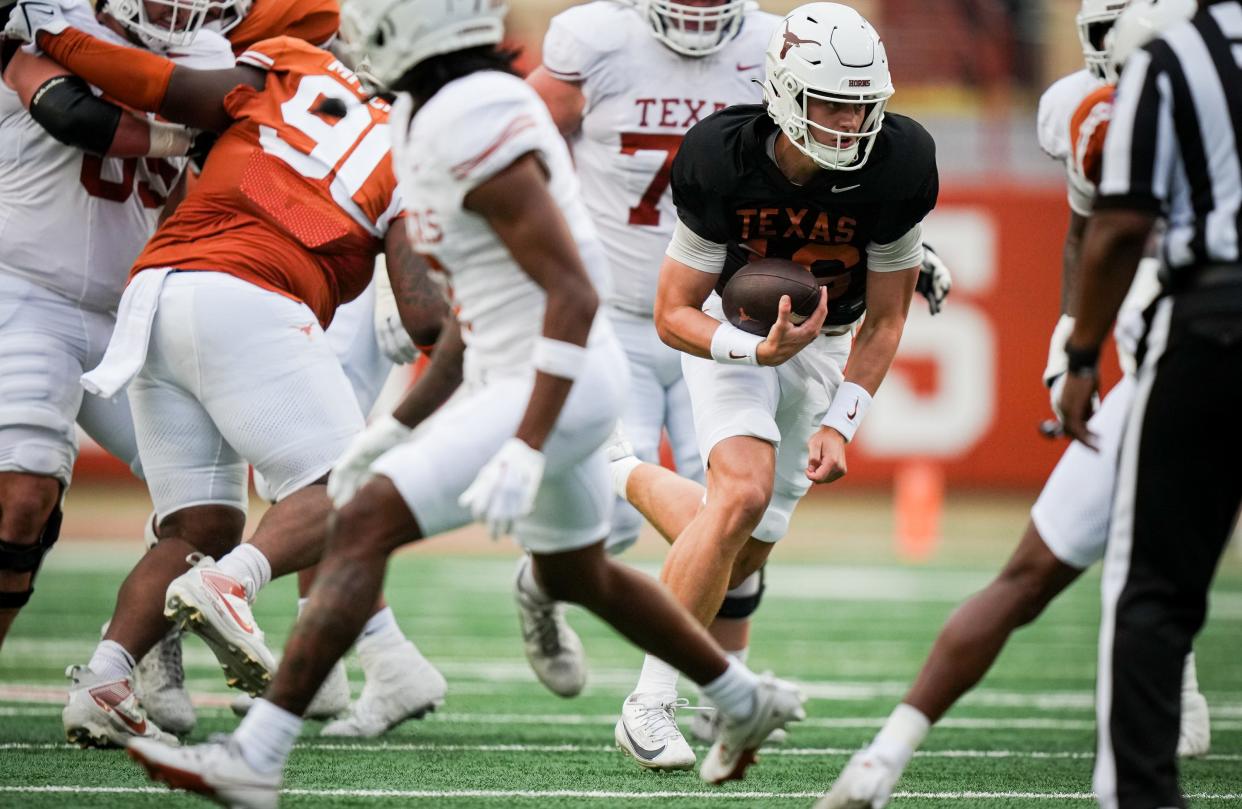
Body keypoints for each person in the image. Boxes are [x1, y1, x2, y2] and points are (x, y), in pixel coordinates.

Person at [86, 0, 807, 802]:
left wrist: (529, 442)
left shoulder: (472, 115)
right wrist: (391, 427)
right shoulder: (431, 116)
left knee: (359, 523)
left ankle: (256, 757)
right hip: (539, 370)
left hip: (551, 376)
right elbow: (469, 317)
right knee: (583, 575)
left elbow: (569, 292)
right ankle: (745, 700)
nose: (363, 33)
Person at [5, 0, 445, 748]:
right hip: (248, 296)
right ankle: (234, 583)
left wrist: (54, 34)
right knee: (354, 489)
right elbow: (421, 312)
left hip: (153, 291)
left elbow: (164, 89)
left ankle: (108, 681)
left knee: (197, 525)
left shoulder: (288, 63)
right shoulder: (418, 147)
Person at [814, 3, 1212, 806]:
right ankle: (884, 759)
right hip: (1165, 343)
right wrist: (1075, 341)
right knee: (1067, 566)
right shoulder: (1083, 105)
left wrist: (1077, 351)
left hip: (1190, 334)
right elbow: (1088, 227)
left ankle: (890, 758)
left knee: (1112, 569)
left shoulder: (1159, 93)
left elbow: (1123, 224)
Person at [604, 1, 937, 772]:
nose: (851, 123)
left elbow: (883, 323)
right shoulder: (722, 156)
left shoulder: (901, 162)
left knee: (739, 549)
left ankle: (618, 468)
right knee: (740, 493)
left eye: (863, 106)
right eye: (831, 102)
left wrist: (840, 422)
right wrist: (751, 354)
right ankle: (651, 702)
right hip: (733, 331)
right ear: (785, 91)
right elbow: (672, 311)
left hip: (823, 344)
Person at [516, 0, 780, 713]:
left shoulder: (773, 46)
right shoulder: (595, 40)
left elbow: (811, 177)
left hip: (720, 322)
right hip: (618, 315)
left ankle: (720, 692)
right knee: (612, 518)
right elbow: (514, 141)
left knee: (739, 514)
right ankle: (542, 583)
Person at [0, 0, 230, 672]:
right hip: (25, 285)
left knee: (210, 508)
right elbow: (75, 116)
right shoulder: (46, 22)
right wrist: (185, 138)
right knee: (23, 496)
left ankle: (134, 654)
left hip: (126, 309)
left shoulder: (209, 57)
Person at [1058, 1, 1242, 806]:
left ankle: (1142, 793)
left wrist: (1077, 352)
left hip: (1214, 315)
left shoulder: (1175, 57)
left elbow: (1117, 223)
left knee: (1152, 584)